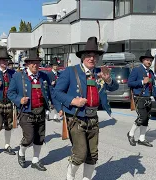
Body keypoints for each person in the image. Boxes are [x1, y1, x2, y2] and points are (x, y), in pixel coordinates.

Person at [53, 37, 119, 180]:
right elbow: (56, 92)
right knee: (80, 154)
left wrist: (108, 80)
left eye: (95, 56)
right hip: (76, 117)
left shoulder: (99, 73)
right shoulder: (70, 71)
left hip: (93, 118)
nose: (92, 58)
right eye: (89, 55)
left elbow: (114, 87)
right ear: (83, 57)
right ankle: (70, 176)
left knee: (92, 155)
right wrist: (72, 100)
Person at [8, 46, 56, 171]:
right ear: (28, 64)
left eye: (37, 62)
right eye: (33, 63)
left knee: (39, 137)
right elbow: (10, 93)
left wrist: (59, 107)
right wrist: (20, 100)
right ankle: (21, 153)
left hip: (40, 111)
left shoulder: (44, 76)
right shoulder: (18, 76)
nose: (35, 65)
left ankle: (35, 160)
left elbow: (51, 93)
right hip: (26, 112)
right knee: (28, 138)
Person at [126, 50, 156, 147]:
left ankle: (141, 139)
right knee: (142, 117)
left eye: (150, 60)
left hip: (148, 98)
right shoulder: (136, 70)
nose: (149, 62)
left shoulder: (151, 72)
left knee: (146, 119)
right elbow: (130, 83)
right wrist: (142, 82)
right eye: (147, 60)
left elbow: (153, 87)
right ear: (143, 61)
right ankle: (130, 134)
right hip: (139, 97)